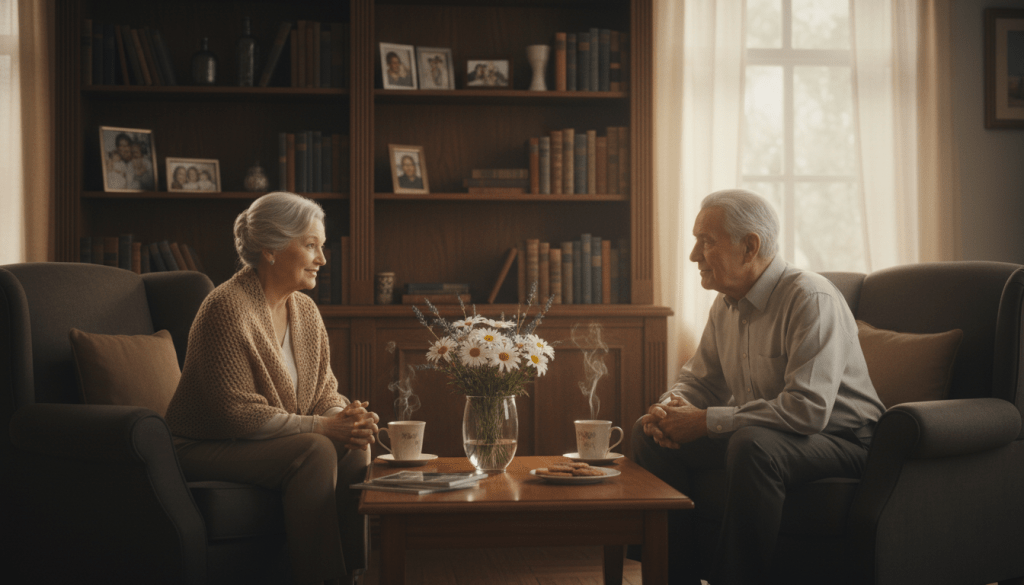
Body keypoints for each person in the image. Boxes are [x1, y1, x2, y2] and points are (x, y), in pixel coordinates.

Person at [632, 189, 885, 585]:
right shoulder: (725, 304)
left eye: (706, 242)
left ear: (749, 247)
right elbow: (700, 380)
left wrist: (704, 421)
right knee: (647, 434)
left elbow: (808, 410)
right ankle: (672, 577)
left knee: (752, 444)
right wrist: (670, 407)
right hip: (767, 434)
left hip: (844, 439)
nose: (694, 256)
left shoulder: (810, 298)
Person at [165, 191, 380, 585]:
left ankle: (354, 575)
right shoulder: (226, 307)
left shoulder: (306, 311)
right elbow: (235, 412)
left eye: (322, 246)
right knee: (315, 449)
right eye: (311, 245)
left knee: (354, 444)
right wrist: (321, 428)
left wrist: (343, 418)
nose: (322, 259)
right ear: (270, 249)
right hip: (202, 444)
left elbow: (324, 392)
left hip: (259, 440)